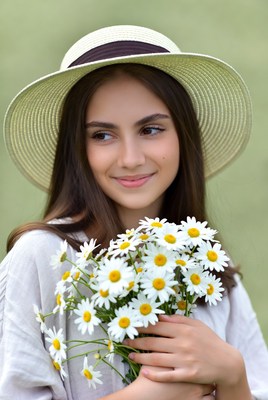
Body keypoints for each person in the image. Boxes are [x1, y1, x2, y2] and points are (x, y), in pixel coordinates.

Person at [0, 24, 267, 400]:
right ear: (78, 150)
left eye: (151, 129)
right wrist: (153, 394)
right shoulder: (42, 258)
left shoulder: (210, 272)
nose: (130, 159)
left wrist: (233, 376)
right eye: (102, 135)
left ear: (183, 137)